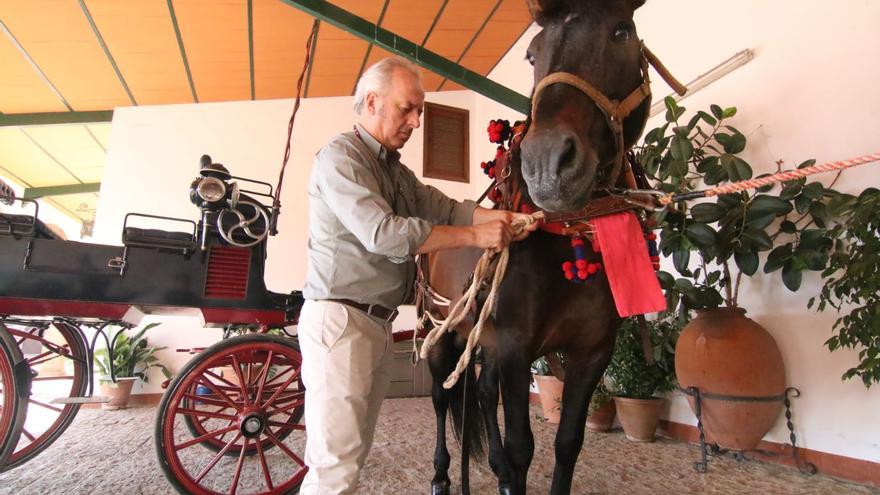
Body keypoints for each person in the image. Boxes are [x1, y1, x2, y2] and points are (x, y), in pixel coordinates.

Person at [299, 56, 536, 494]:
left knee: (351, 456)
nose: (417, 121)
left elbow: (443, 206)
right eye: (407, 108)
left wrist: (508, 218)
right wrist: (475, 235)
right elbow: (383, 234)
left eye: (420, 111)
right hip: (340, 324)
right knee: (334, 466)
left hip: (372, 324)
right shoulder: (340, 157)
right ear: (372, 101)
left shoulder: (394, 170)